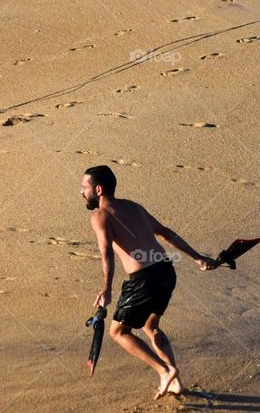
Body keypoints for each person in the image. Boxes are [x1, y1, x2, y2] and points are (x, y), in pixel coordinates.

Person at [81, 164, 218, 399]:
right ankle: (176, 383)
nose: (81, 192)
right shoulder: (134, 207)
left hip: (143, 280)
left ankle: (165, 371)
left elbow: (106, 253)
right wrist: (197, 257)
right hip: (166, 271)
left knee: (119, 332)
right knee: (150, 326)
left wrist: (106, 289)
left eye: (84, 187)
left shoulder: (100, 215)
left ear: (99, 189)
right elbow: (166, 232)